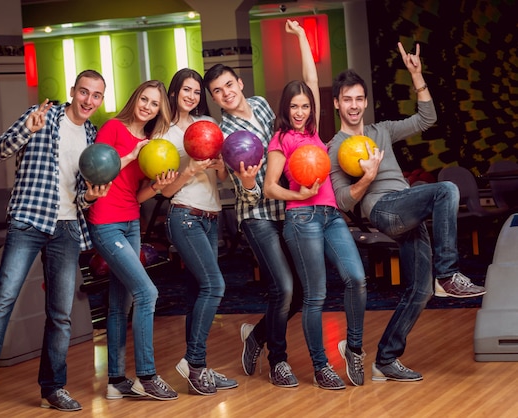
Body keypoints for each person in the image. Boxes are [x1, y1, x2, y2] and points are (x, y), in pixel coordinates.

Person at [328, 43, 486, 382]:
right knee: (446, 189)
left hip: (407, 208)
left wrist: (416, 75)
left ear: (365, 102)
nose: (354, 106)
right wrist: (367, 177)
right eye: (347, 99)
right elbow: (342, 201)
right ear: (337, 103)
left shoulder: (381, 130)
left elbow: (427, 118)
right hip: (384, 211)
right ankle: (449, 274)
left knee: (420, 290)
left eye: (359, 99)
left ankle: (386, 358)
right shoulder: (335, 147)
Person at [0, 69, 108, 412]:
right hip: (28, 220)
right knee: (3, 297)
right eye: (84, 92)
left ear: (101, 100)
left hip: (66, 228)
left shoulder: (92, 136)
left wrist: (93, 197)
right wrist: (27, 129)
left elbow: (81, 194)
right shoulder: (42, 115)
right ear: (73, 90)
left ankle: (53, 389)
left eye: (96, 96)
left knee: (60, 314)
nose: (88, 100)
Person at [203, 20, 309, 388]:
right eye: (218, 91)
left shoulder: (264, 106)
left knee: (302, 291)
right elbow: (245, 191)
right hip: (256, 215)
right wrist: (249, 183)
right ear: (214, 99)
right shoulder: (222, 136)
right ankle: (278, 361)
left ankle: (257, 335)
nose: (226, 93)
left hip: (288, 209)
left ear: (240, 83)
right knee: (282, 286)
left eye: (229, 85)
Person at [262, 21, 367, 389]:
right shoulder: (281, 139)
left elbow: (310, 74)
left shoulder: (315, 132)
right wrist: (299, 196)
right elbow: (270, 188)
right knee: (316, 296)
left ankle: (354, 349)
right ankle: (322, 367)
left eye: (306, 105)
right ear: (286, 108)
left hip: (331, 216)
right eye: (295, 106)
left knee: (356, 277)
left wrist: (303, 37)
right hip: (302, 218)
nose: (302, 111)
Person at [87, 80, 179, 401]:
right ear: (134, 98)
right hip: (105, 222)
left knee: (120, 304)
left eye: (154, 104)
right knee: (147, 292)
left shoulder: (150, 143)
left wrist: (157, 185)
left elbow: (137, 195)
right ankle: (146, 376)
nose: (147, 107)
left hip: (130, 222)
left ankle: (115, 381)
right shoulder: (112, 128)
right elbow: (97, 171)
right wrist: (131, 154)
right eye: (144, 99)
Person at [160, 68, 238, 395]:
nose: (191, 96)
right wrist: (188, 170)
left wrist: (220, 166)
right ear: (175, 92)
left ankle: (200, 366)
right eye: (185, 90)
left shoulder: (208, 127)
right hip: (184, 215)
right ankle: (193, 362)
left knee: (197, 293)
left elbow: (220, 179)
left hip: (211, 218)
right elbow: (165, 192)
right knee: (214, 284)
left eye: (196, 92)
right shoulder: (165, 135)